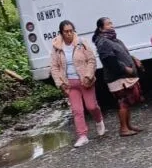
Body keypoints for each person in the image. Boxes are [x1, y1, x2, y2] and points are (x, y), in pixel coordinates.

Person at [50, 20, 106, 148]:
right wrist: (60, 83)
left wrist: (88, 75)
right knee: (77, 110)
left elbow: (91, 60)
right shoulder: (56, 47)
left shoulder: (81, 43)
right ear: (61, 33)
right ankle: (82, 135)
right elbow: (54, 67)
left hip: (85, 81)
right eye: (66, 31)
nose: (69, 33)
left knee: (91, 106)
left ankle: (99, 120)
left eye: (71, 31)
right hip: (69, 83)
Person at [93, 17, 143, 137]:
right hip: (116, 77)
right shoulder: (103, 42)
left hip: (123, 75)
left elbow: (122, 53)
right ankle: (123, 129)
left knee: (127, 102)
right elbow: (110, 61)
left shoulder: (113, 39)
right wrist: (125, 68)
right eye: (108, 24)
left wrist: (133, 58)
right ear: (101, 28)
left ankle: (128, 125)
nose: (112, 25)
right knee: (122, 102)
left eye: (111, 23)